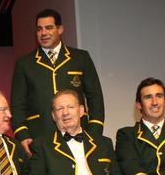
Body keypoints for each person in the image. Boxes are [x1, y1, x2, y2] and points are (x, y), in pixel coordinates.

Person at [10, 9, 104, 156]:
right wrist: (23, 135)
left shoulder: (81, 58)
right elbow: (17, 104)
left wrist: (95, 131)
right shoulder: (24, 63)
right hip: (39, 135)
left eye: (49, 27)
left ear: (60, 29)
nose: (43, 33)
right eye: (39, 29)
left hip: (80, 134)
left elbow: (95, 97)